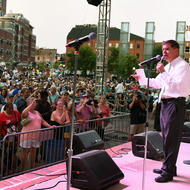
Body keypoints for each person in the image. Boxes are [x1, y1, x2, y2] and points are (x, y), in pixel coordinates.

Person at [133, 40, 190, 183]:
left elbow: (178, 87)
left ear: (176, 50)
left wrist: (163, 72)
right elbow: (158, 83)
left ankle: (168, 171)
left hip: (175, 104)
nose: (164, 52)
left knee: (171, 138)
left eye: (167, 49)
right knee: (166, 137)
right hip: (165, 104)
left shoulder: (183, 66)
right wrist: (142, 78)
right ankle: (169, 166)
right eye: (163, 49)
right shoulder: (168, 66)